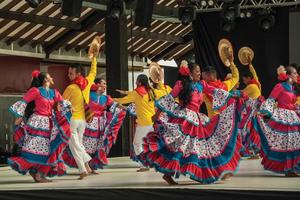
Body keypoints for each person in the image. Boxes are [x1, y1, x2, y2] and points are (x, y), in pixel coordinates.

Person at [138, 62, 242, 185]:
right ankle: (168, 174)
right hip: (184, 119)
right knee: (180, 147)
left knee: (200, 148)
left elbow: (215, 91)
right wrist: (157, 114)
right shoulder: (181, 84)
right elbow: (169, 98)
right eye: (197, 71)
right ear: (190, 73)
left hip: (197, 119)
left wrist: (232, 96)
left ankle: (203, 172)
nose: (200, 73)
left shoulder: (201, 84)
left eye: (200, 71)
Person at [8, 71, 71, 183]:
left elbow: (62, 103)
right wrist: (20, 116)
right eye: (49, 76)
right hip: (37, 123)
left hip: (50, 123)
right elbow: (24, 101)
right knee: (35, 148)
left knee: (50, 149)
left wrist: (69, 109)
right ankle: (37, 173)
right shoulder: (36, 91)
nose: (52, 77)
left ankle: (37, 172)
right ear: (45, 80)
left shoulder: (54, 92)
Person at [63, 78, 126, 173]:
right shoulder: (88, 95)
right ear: (97, 85)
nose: (105, 86)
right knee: (84, 144)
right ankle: (86, 166)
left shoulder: (106, 98)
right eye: (103, 83)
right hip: (88, 123)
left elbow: (115, 105)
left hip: (100, 125)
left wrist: (126, 108)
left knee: (96, 146)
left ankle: (92, 166)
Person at [62, 37, 100, 179]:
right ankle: (88, 167)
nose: (69, 75)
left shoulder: (70, 88)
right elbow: (93, 72)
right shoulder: (88, 82)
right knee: (78, 144)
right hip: (83, 120)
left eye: (71, 73)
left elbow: (61, 103)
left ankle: (83, 169)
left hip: (73, 121)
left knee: (75, 146)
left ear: (78, 73)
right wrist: (94, 59)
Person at [255, 65, 299, 177]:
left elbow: (293, 103)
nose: (297, 75)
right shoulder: (280, 86)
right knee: (287, 143)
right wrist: (265, 112)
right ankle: (289, 169)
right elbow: (270, 99)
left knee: (294, 142)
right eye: (295, 73)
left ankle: (292, 167)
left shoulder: (293, 88)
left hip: (292, 117)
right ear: (288, 75)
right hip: (283, 117)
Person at [114, 74, 156, 172]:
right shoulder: (150, 91)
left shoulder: (137, 93)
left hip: (144, 122)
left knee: (137, 143)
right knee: (149, 144)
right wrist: (125, 92)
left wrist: (109, 99)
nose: (135, 82)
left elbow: (122, 100)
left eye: (137, 81)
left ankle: (144, 165)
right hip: (152, 121)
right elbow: (133, 94)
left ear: (140, 82)